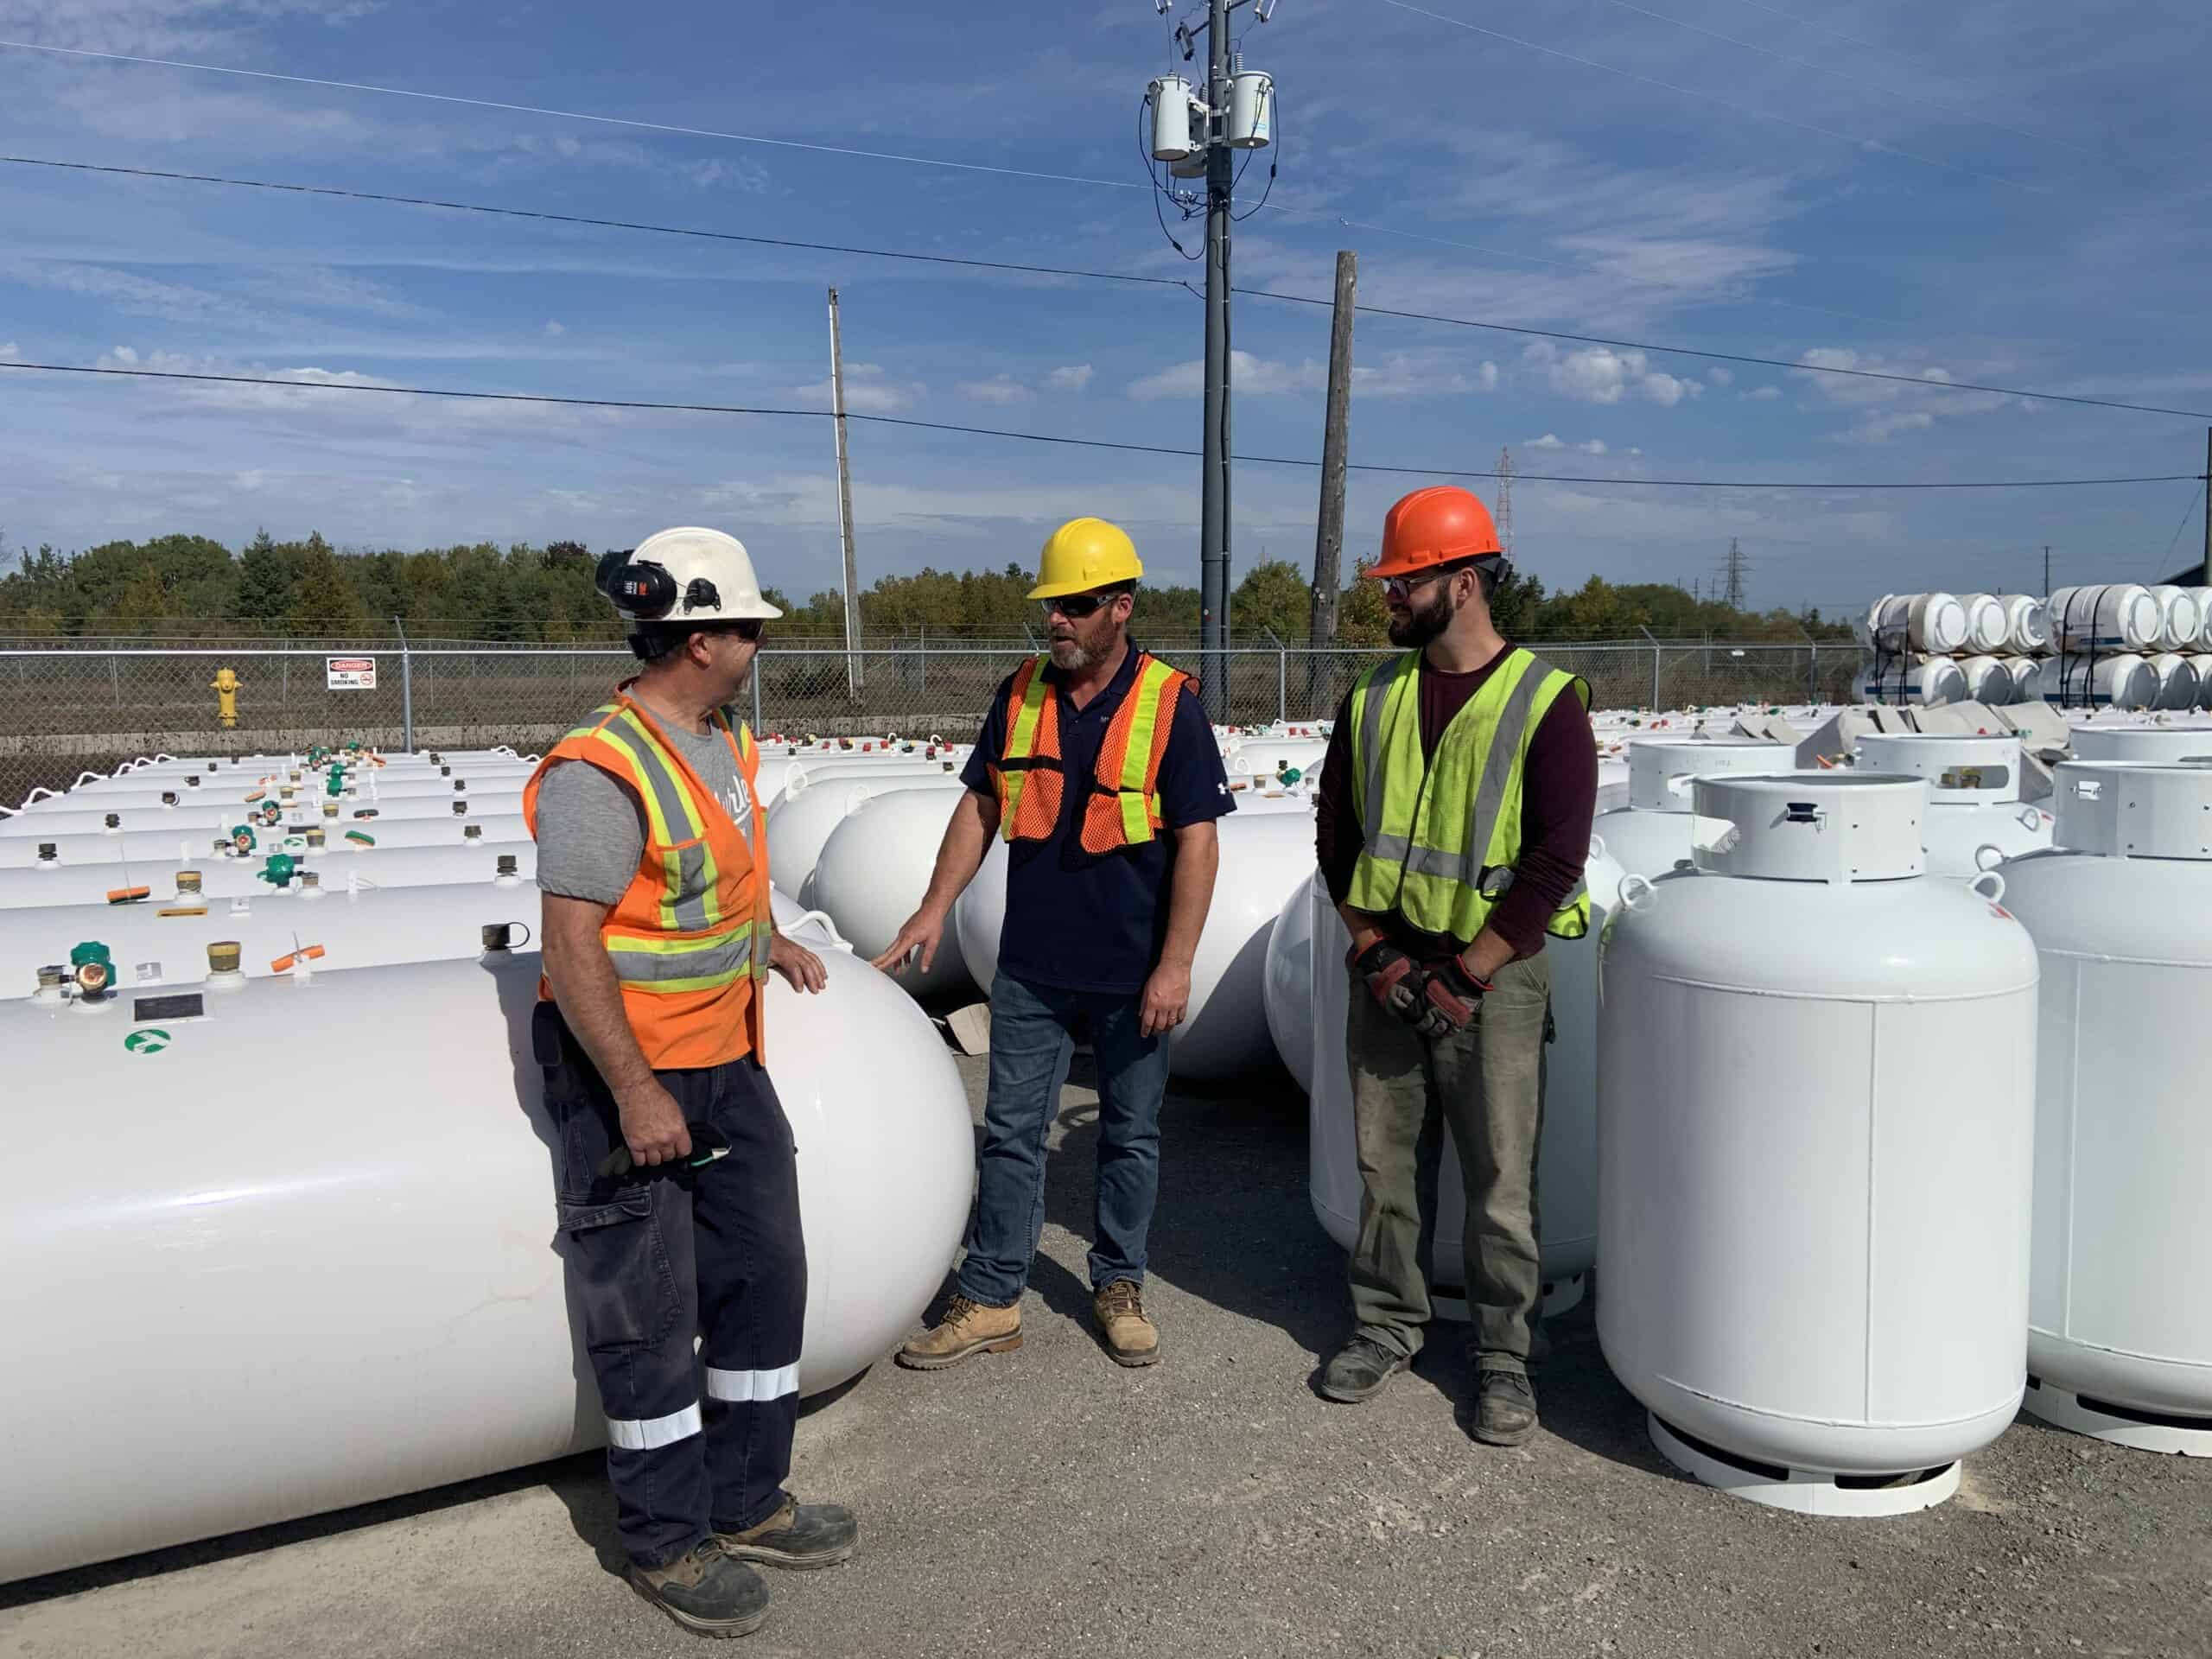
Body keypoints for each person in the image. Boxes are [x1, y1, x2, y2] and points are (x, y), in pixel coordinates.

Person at [523, 525, 855, 1641]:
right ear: (701, 637)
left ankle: (746, 1498)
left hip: (725, 1058)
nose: (759, 645)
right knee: (650, 1308)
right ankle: (666, 1540)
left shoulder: (722, 740)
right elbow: (571, 944)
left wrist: (769, 941)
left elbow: (722, 867)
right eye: (750, 629)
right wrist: (634, 1092)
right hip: (631, 1077)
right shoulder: (599, 767)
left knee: (767, 1269)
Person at [871, 517, 1232, 1370]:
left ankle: (1117, 1283)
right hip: (1032, 965)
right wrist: (933, 906)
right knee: (1009, 1131)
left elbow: (1198, 840)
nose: (1056, 621)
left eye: (1074, 606)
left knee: (1130, 1133)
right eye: (1051, 606)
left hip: (1133, 971)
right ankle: (993, 1294)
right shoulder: (1020, 692)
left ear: (1120, 606)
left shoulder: (1169, 704)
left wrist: (1175, 965)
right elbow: (982, 804)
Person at [1312, 486, 1597, 1446]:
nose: (1388, 600)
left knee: (1499, 1182)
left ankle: (1503, 1357)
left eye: (1404, 583)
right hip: (1386, 967)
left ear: (1463, 583)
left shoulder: (1547, 704)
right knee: (1382, 1169)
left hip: (1495, 981)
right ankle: (1387, 1324)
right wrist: (1372, 949)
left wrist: (1468, 974)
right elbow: (1336, 838)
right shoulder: (1372, 698)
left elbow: (1556, 859)